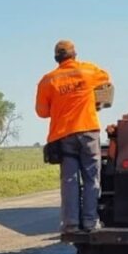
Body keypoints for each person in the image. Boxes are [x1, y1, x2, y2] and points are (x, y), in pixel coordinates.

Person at [35, 40, 112, 234]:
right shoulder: (88, 71)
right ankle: (90, 222)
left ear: (56, 58)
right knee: (91, 178)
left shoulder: (48, 80)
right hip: (88, 131)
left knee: (69, 181)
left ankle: (71, 224)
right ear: (74, 55)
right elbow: (106, 79)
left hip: (63, 135)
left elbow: (42, 112)